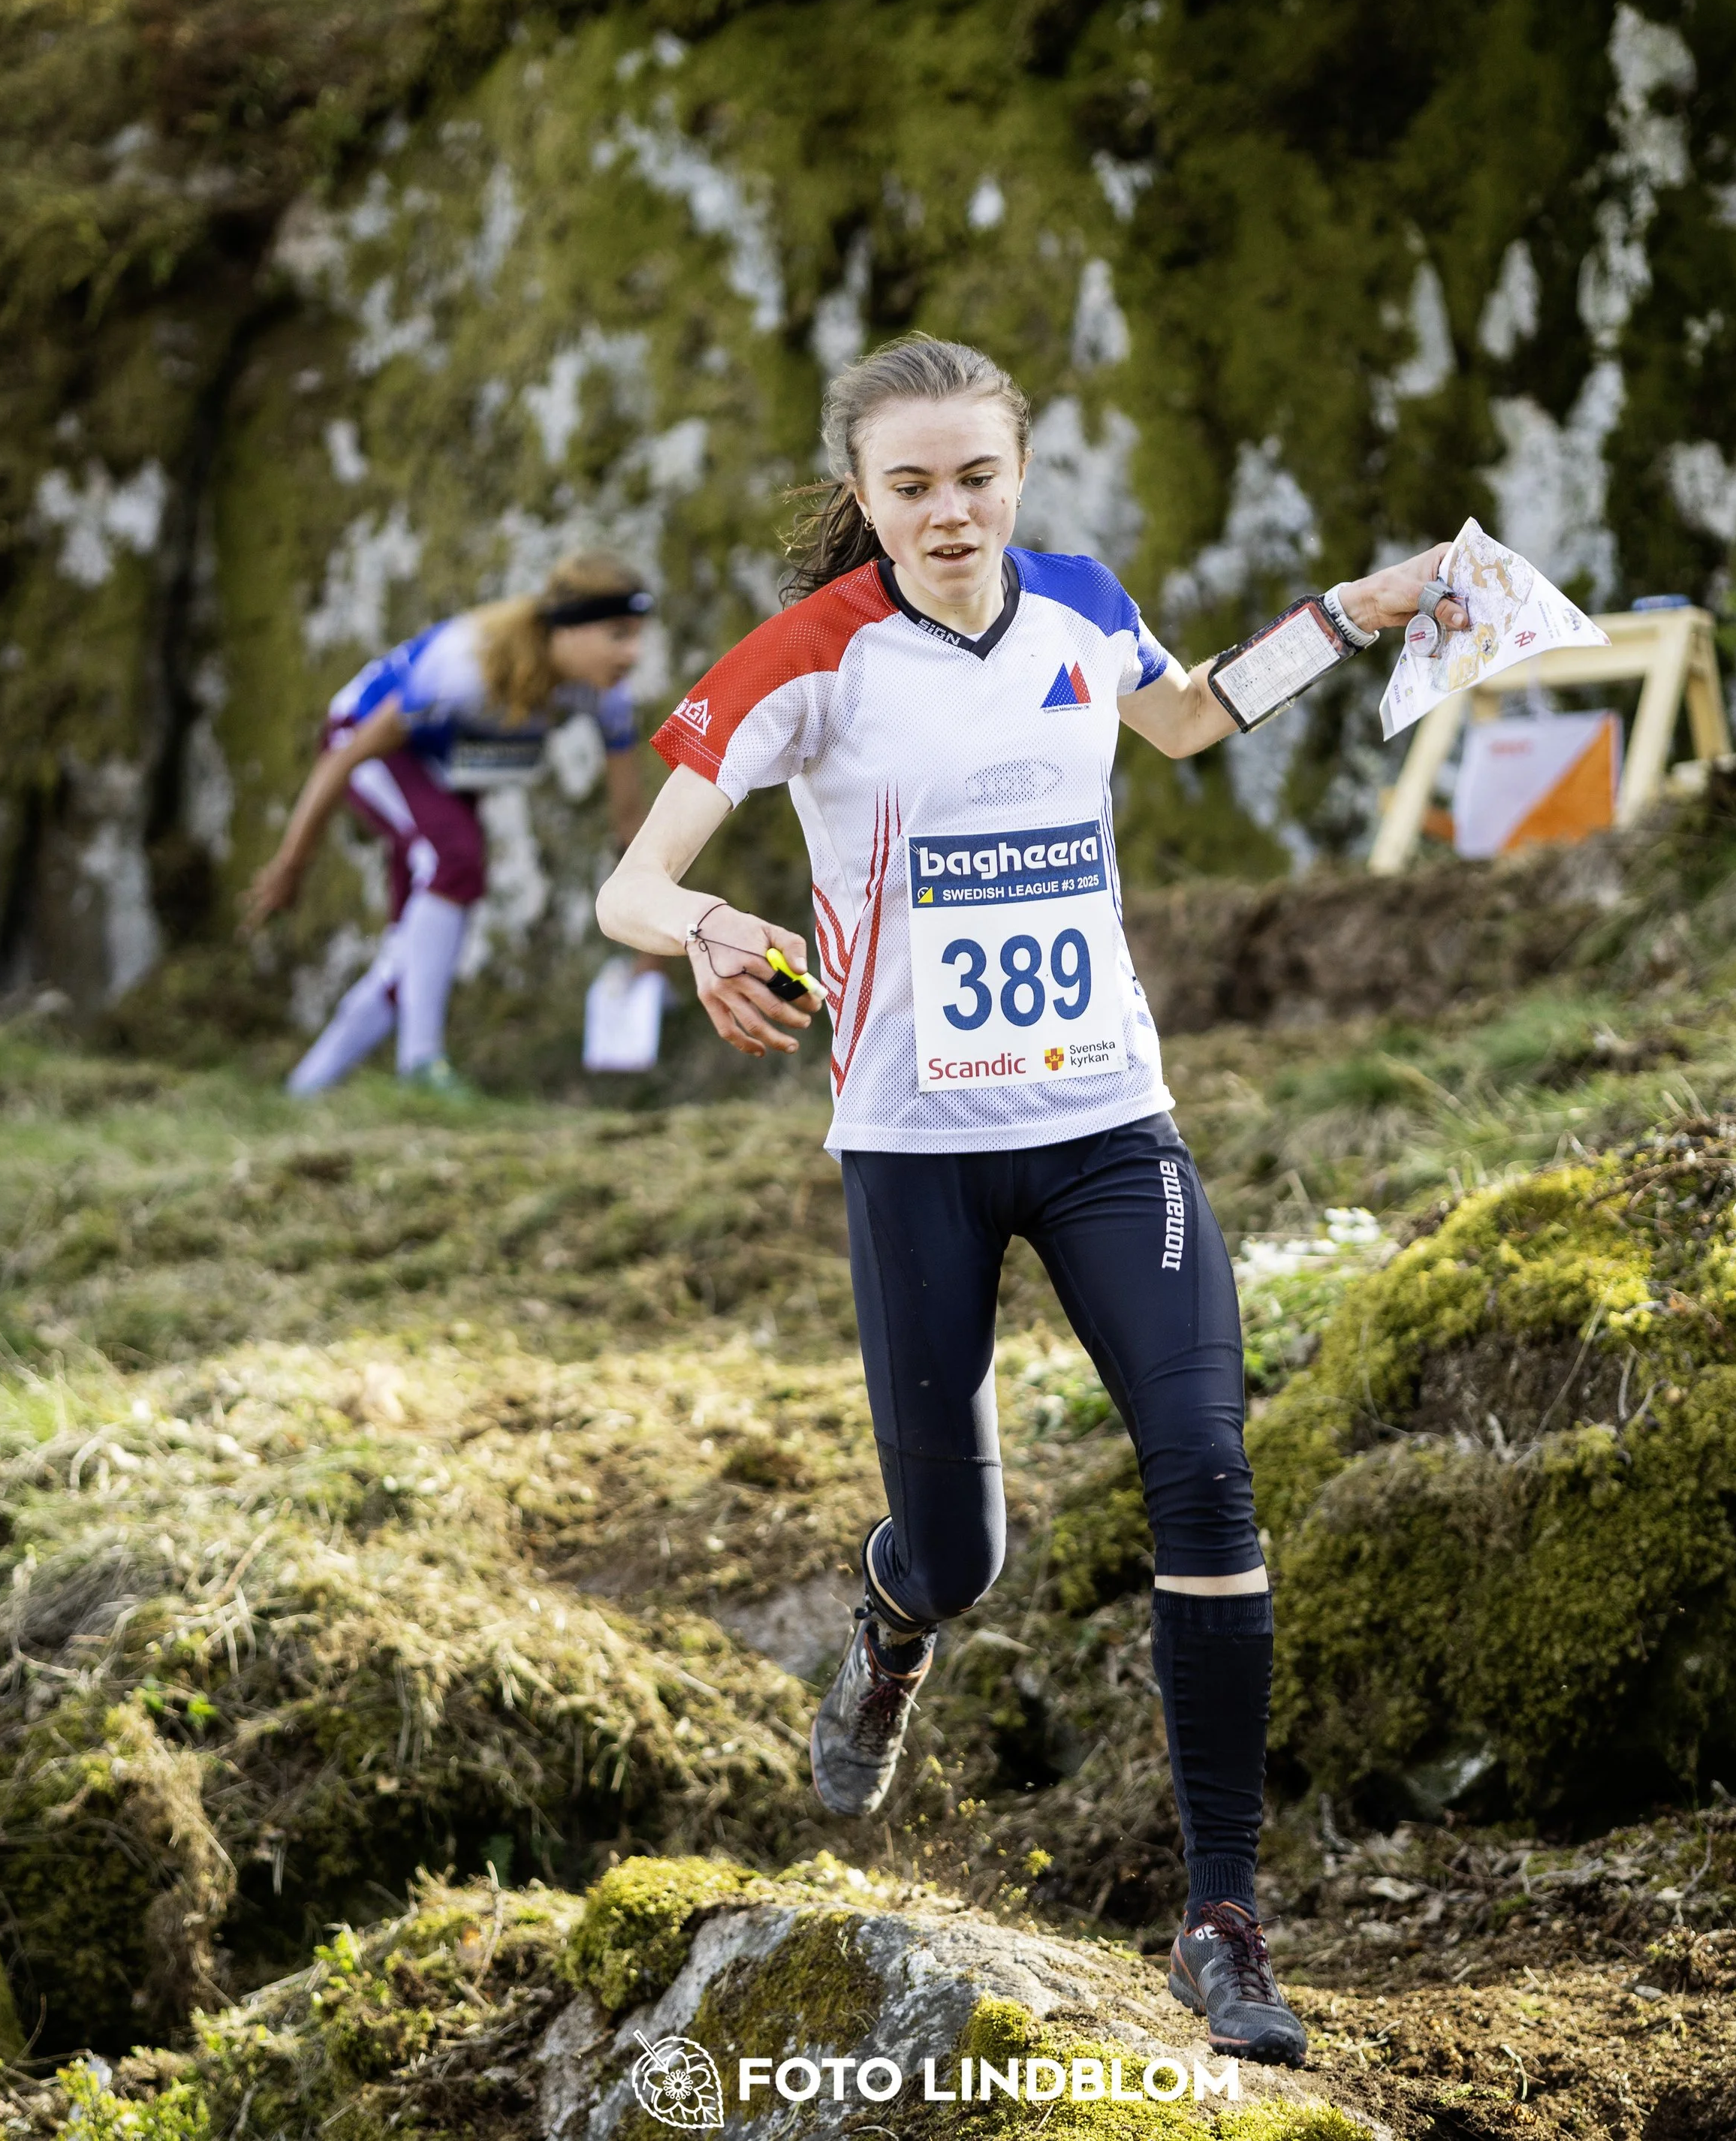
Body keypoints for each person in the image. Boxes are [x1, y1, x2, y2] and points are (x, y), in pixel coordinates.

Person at [593, 336, 1466, 2064]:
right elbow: (633, 876)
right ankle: (891, 1612)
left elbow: (1191, 710)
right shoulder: (809, 660)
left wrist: (1360, 610)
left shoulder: (1075, 607)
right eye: (908, 486)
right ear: (862, 495)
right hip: (914, 1146)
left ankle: (1223, 1918)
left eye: (976, 477)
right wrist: (703, 930)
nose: (947, 513)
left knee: (1206, 1469)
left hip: (1106, 1124)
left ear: (1018, 473)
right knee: (962, 1552)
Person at [246, 550, 654, 1095]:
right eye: (618, 635)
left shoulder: (606, 695)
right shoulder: (466, 668)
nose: (634, 654)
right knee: (456, 858)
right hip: (370, 747)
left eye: (638, 636)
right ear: (568, 630)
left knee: (416, 948)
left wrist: (655, 935)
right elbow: (341, 759)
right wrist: (291, 864)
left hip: (443, 771)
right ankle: (421, 1064)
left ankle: (304, 1090)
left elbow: (630, 818)